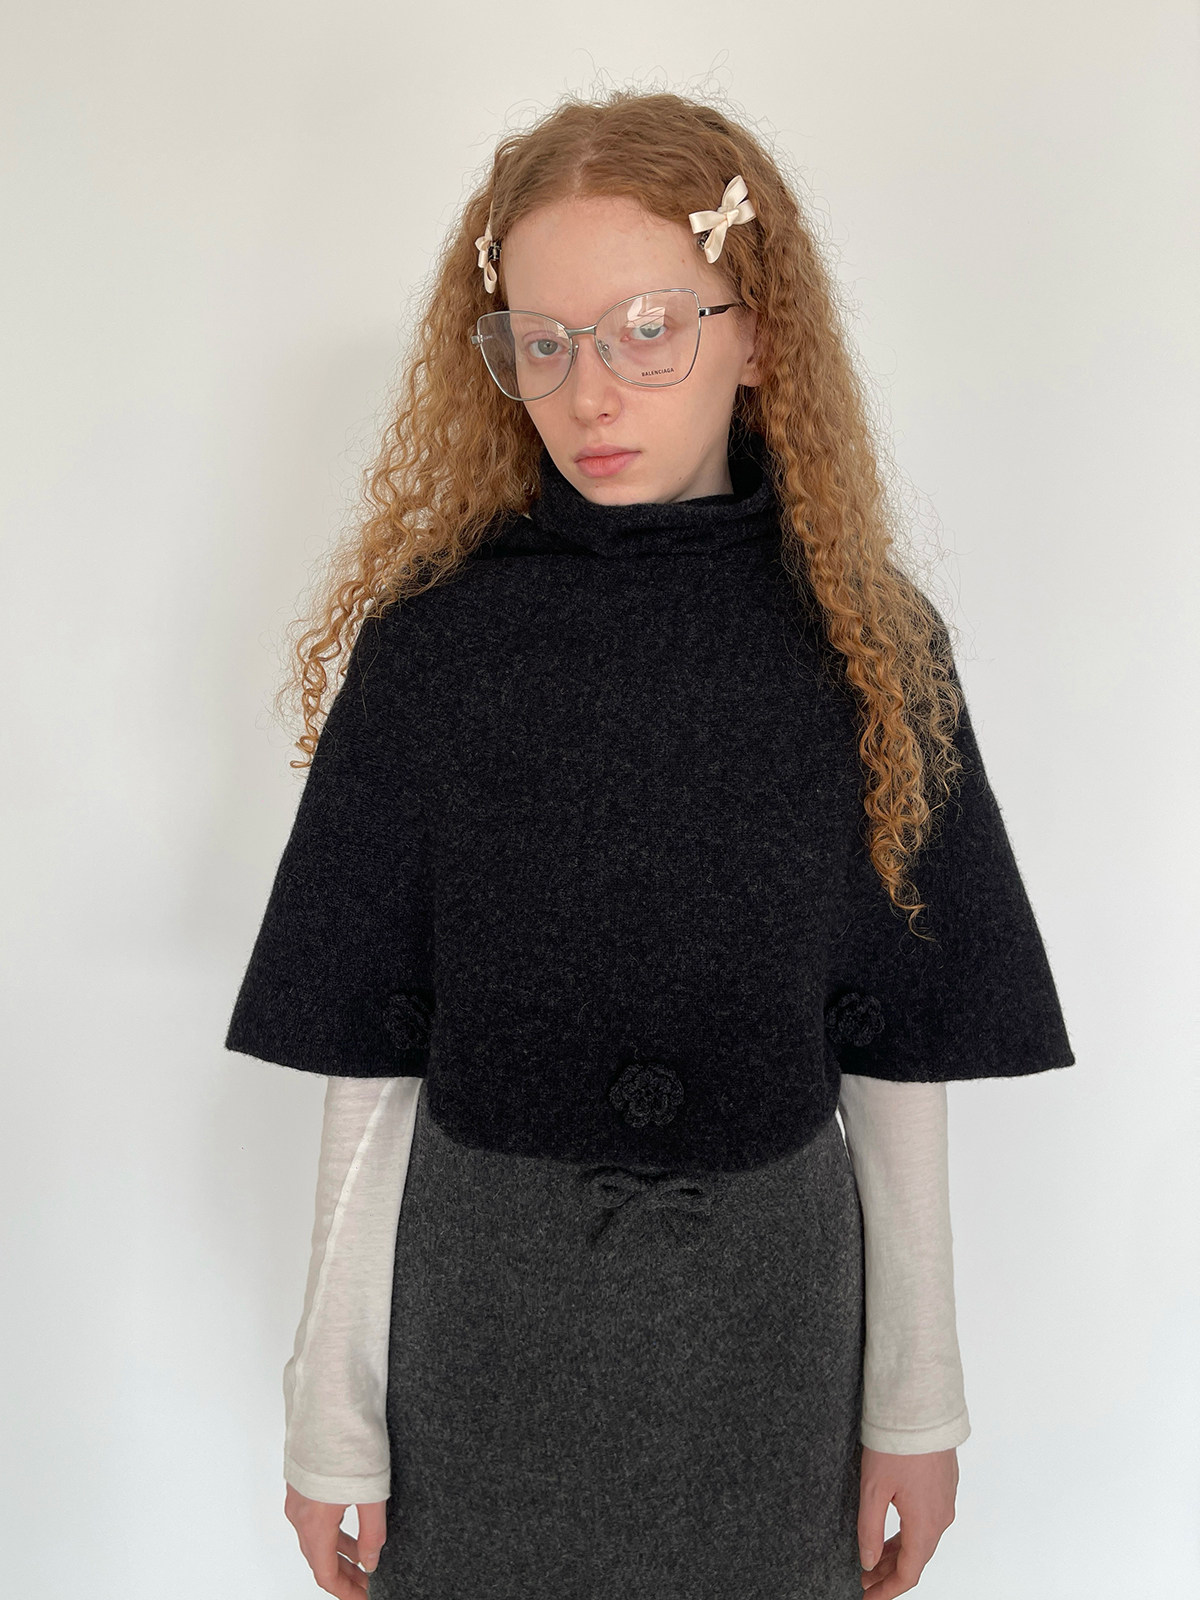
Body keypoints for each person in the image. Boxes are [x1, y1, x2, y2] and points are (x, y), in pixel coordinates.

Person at [224, 90, 1075, 1600]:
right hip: (483, 1322)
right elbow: (372, 1058)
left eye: (646, 330)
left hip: (771, 1326)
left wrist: (917, 1405)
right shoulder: (438, 648)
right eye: (541, 343)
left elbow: (897, 1050)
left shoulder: (869, 652)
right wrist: (331, 1414)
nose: (590, 393)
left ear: (758, 335)